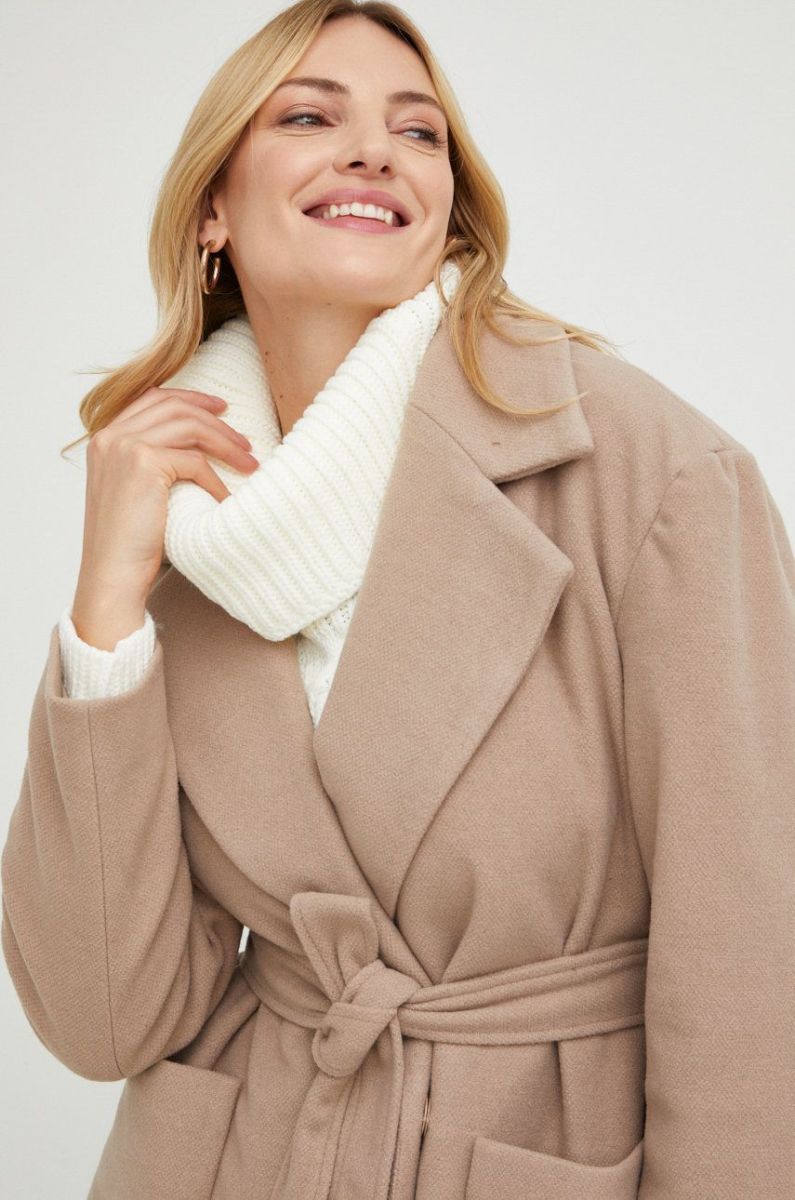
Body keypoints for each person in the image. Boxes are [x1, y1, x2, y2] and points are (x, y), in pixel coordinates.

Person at [2, 1, 793, 1197]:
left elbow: (755, 970)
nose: (376, 150)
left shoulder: (653, 474)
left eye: (419, 133)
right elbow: (102, 1020)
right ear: (213, 209)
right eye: (309, 117)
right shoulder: (178, 520)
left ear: (448, 210)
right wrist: (107, 609)